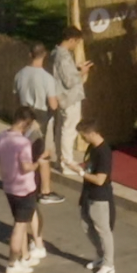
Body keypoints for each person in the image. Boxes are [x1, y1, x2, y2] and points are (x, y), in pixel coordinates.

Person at [0, 115, 45, 273]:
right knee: (20, 225)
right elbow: (26, 167)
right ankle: (12, 262)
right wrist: (38, 164)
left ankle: (25, 257)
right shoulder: (23, 143)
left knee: (20, 222)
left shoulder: (1, 136)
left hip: (9, 186)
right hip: (24, 188)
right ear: (26, 124)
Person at [13, 54, 66, 204]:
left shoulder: (20, 74)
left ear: (29, 55)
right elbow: (53, 104)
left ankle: (23, 183)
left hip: (24, 117)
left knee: (26, 152)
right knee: (44, 154)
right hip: (41, 118)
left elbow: (15, 99)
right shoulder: (47, 78)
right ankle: (45, 191)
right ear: (44, 55)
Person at [77, 131, 119, 273]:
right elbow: (89, 168)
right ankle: (102, 256)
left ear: (92, 133)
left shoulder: (104, 152)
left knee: (103, 231)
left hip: (100, 197)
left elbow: (100, 180)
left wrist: (80, 173)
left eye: (83, 135)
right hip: (88, 193)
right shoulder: (92, 148)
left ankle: (109, 264)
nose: (82, 138)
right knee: (86, 225)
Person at [46, 36, 89, 178]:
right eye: (76, 42)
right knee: (69, 129)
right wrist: (81, 73)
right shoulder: (63, 56)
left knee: (61, 128)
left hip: (62, 96)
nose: (76, 45)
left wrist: (75, 70)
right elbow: (69, 81)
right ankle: (67, 162)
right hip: (69, 97)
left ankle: (61, 159)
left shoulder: (55, 53)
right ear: (71, 39)